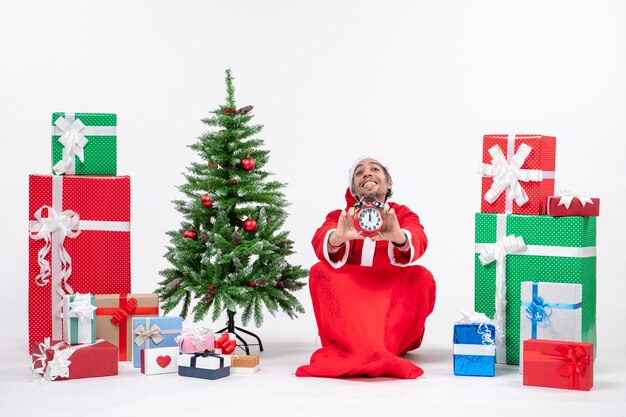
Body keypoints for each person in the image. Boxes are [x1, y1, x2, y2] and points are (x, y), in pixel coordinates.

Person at [295, 157, 436, 379]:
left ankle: (380, 347)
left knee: (422, 277)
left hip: (389, 297)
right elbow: (321, 236)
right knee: (320, 271)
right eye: (359, 173)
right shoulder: (342, 217)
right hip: (352, 300)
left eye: (374, 169)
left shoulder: (401, 215)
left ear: (389, 183)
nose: (367, 174)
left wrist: (399, 237)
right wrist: (338, 237)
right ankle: (363, 348)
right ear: (354, 189)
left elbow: (418, 236)